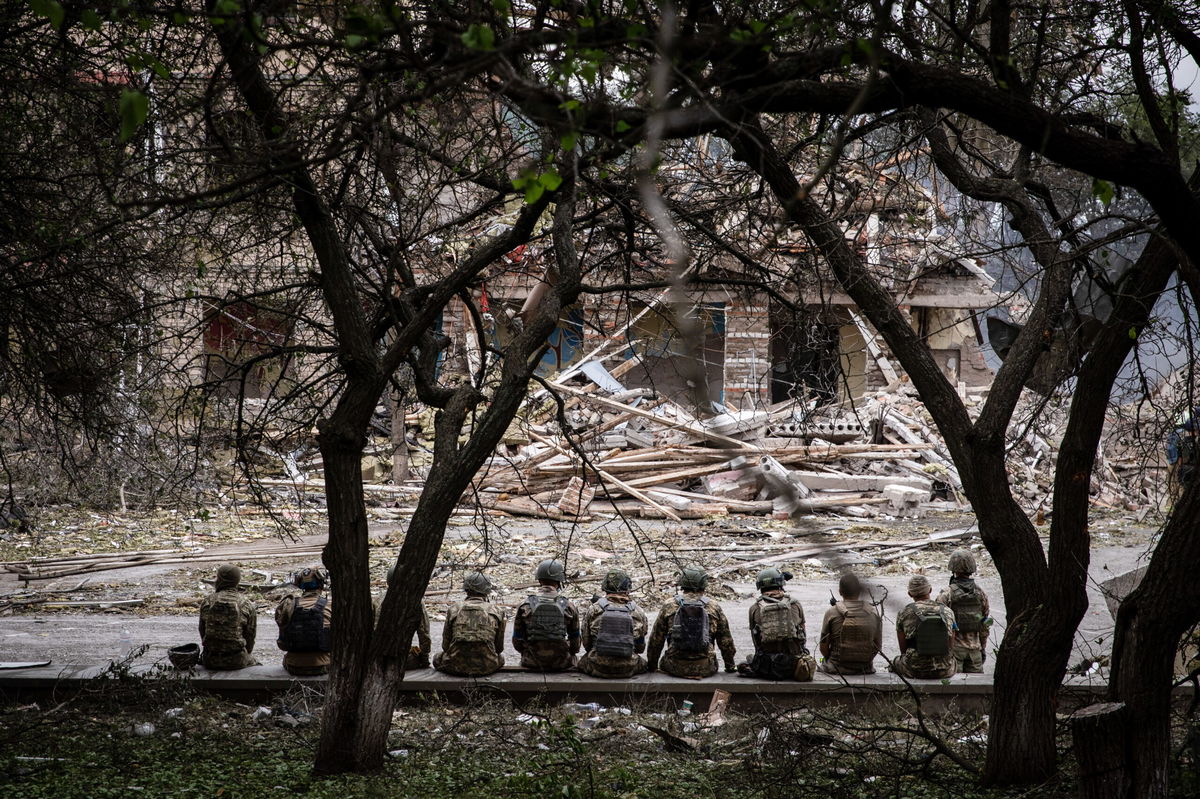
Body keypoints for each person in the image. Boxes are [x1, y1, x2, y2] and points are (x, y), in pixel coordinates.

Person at [647, 565, 736, 678]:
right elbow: (726, 642)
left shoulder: (669, 605)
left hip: (674, 666)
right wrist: (730, 666)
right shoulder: (713, 607)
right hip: (706, 667)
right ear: (704, 584)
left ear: (682, 583)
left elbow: (656, 640)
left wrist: (652, 666)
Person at [739, 567, 811, 680]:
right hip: (795, 666)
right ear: (780, 583)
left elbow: (756, 641)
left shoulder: (754, 608)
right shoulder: (795, 604)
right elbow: (803, 636)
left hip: (767, 668)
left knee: (746, 661)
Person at [578, 569, 649, 678]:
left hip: (597, 666)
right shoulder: (638, 611)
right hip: (628, 667)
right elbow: (640, 648)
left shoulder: (594, 609)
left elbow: (587, 644)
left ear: (605, 587)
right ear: (627, 588)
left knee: (580, 662)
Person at [512, 558, 580, 671]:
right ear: (559, 581)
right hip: (561, 663)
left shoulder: (525, 605)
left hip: (531, 662)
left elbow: (517, 641)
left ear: (539, 579)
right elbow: (576, 645)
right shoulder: (569, 606)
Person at [434, 571, 506, 677]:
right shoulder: (497, 611)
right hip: (486, 666)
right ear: (487, 591)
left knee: (437, 657)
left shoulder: (454, 609)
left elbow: (445, 646)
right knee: (501, 658)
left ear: (466, 590)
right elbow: (499, 648)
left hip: (454, 665)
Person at [936, 550, 991, 674]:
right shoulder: (980, 593)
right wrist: (982, 647)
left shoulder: (946, 594)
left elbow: (939, 624)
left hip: (954, 650)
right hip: (975, 650)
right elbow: (984, 624)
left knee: (953, 689)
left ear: (952, 568)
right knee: (977, 690)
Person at [892, 574, 957, 679]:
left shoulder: (904, 612)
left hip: (914, 669)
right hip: (944, 669)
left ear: (909, 594)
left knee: (894, 662)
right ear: (930, 590)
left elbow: (903, 649)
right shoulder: (947, 611)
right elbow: (951, 643)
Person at [819, 572, 882, 675]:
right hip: (865, 667)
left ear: (840, 592)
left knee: (821, 661)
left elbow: (823, 647)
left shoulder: (831, 612)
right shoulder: (873, 613)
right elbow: (877, 646)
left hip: (836, 667)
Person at [274, 566, 333, 676]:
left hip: (293, 665)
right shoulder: (331, 605)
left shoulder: (288, 605)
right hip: (324, 664)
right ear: (321, 584)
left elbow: (282, 643)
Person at [198, 563, 257, 670]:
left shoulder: (208, 601)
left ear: (219, 579)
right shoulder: (246, 604)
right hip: (237, 660)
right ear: (237, 581)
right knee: (256, 664)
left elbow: (202, 631)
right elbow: (250, 635)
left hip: (210, 660)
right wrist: (246, 653)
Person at [385, 562, 433, 669]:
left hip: (377, 658)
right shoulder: (415, 602)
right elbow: (424, 633)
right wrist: (424, 659)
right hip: (402, 659)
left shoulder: (376, 601)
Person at [1167, 406, 1200, 503]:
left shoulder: (1179, 438)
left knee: (1182, 492)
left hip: (1181, 467)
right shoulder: (1194, 441)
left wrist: (1179, 467)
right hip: (1191, 469)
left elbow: (1179, 457)